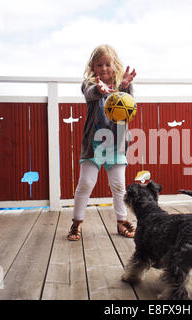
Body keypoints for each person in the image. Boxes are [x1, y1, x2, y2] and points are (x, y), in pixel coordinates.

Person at [68, 44, 137, 241]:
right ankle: (76, 223)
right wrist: (99, 90)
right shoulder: (89, 85)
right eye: (99, 64)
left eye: (108, 64)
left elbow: (131, 105)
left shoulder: (124, 86)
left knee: (118, 185)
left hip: (115, 145)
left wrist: (123, 87)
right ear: (93, 66)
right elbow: (90, 93)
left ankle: (122, 221)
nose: (104, 68)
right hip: (94, 145)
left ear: (115, 65)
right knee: (86, 183)